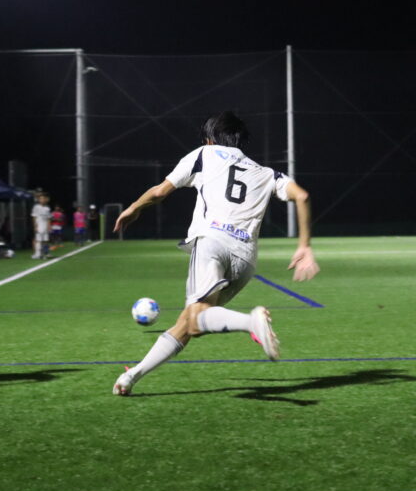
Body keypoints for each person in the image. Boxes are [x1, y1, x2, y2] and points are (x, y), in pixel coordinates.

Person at [112, 111, 319, 396]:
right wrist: (304, 246)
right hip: (245, 260)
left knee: (197, 318)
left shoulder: (203, 155)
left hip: (212, 242)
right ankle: (132, 376)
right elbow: (303, 196)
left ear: (209, 139)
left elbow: (160, 192)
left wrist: (134, 208)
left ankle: (251, 322)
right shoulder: (267, 173)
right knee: (189, 322)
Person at [30, 192, 51, 259]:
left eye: (43, 198)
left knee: (45, 240)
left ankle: (45, 253)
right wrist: (35, 226)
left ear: (45, 199)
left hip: (45, 227)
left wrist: (49, 226)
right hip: (39, 226)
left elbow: (48, 218)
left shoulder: (47, 208)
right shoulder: (36, 207)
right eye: (41, 199)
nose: (42, 200)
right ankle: (37, 254)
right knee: (38, 240)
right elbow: (34, 217)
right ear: (39, 200)